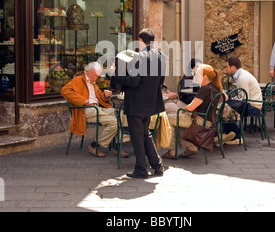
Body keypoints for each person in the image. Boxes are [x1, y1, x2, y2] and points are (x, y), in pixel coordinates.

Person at [111, 28, 165, 179]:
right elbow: (161, 80)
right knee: (145, 134)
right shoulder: (160, 56)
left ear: (140, 40)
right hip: (150, 102)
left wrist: (116, 73)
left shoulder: (139, 57)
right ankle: (157, 164)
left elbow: (133, 81)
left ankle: (141, 168)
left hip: (136, 103)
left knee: (137, 136)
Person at [61, 62, 130, 158]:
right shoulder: (78, 80)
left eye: (97, 76)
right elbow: (64, 91)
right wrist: (83, 100)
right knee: (115, 122)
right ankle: (94, 145)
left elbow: (100, 98)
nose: (95, 78)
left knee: (123, 114)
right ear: (86, 72)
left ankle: (118, 146)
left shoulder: (93, 84)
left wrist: (105, 95)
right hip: (86, 110)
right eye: (93, 75)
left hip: (97, 108)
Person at [162, 63, 227, 159]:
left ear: (204, 77)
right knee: (178, 121)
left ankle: (172, 151)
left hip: (200, 121)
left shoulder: (204, 89)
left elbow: (191, 107)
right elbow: (226, 97)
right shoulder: (215, 86)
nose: (195, 76)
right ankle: (190, 147)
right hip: (209, 121)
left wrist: (184, 109)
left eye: (197, 74)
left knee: (168, 119)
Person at [225, 56, 263, 132]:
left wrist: (230, 102)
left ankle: (233, 133)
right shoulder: (241, 75)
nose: (226, 68)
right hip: (254, 104)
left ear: (233, 67)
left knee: (226, 108)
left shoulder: (242, 78)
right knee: (227, 105)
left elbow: (245, 98)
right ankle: (230, 132)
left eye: (227, 67)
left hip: (254, 107)